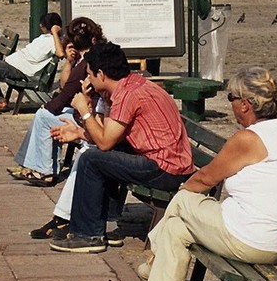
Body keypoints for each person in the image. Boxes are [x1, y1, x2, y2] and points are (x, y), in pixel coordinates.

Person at [123, 66, 277, 281]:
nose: (231, 105)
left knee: (184, 199)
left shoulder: (248, 139)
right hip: (276, 244)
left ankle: (153, 257)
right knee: (177, 229)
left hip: (248, 239)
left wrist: (183, 194)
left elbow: (202, 181)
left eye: (231, 99)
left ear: (246, 105)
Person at [46, 41, 193, 253]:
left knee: (91, 159)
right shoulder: (130, 85)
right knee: (104, 154)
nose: (86, 79)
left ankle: (87, 235)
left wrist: (83, 111)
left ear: (101, 74)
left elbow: (104, 142)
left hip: (165, 168)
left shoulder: (127, 95)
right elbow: (107, 134)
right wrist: (81, 129)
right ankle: (105, 224)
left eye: (89, 74)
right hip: (169, 161)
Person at [9, 17, 104, 186]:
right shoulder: (85, 60)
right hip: (87, 110)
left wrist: (48, 106)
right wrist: (69, 61)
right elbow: (65, 84)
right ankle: (32, 165)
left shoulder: (87, 62)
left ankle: (45, 171)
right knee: (43, 114)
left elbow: (65, 95)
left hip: (90, 115)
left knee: (43, 116)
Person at [0, 13, 64, 115]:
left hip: (18, 69)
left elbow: (60, 54)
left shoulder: (54, 41)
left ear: (43, 26)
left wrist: (54, 33)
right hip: (14, 64)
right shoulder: (45, 38)